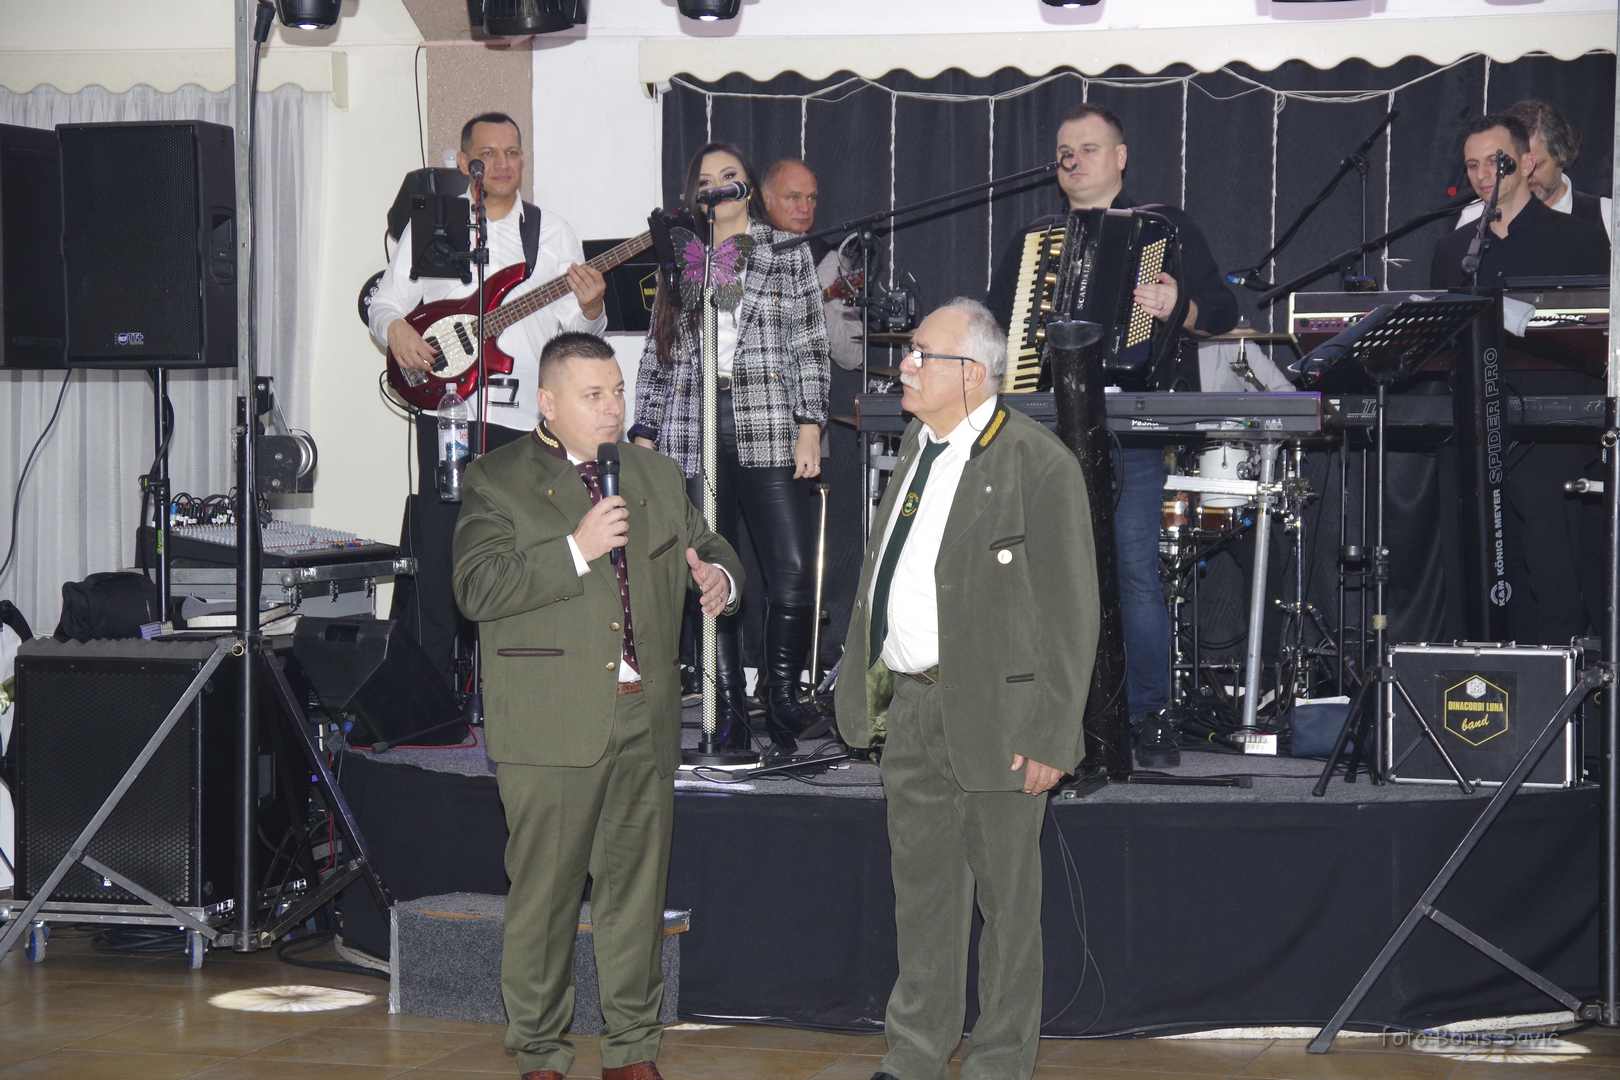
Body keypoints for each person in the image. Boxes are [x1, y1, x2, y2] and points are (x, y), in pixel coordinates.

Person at [453, 331, 744, 1080]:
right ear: (547, 403)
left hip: (645, 715)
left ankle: (632, 1050)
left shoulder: (652, 472)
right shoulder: (496, 478)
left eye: (617, 391)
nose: (613, 407)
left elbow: (711, 545)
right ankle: (540, 1053)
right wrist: (575, 549)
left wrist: (719, 577)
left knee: (636, 896)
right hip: (550, 722)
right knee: (546, 898)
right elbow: (476, 587)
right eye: (593, 395)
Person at [835, 298, 1099, 1080]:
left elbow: (1072, 614)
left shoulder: (1039, 463)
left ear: (974, 374)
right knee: (922, 897)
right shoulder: (916, 447)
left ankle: (997, 1064)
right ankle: (915, 1053)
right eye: (910, 352)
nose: (906, 365)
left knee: (1007, 907)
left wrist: (1053, 734)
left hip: (1004, 720)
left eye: (923, 354)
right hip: (913, 707)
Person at [987, 102, 1238, 768]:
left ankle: (1148, 715)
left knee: (1132, 572)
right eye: (1064, 151)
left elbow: (1222, 310)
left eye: (1088, 148)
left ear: (1120, 157)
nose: (1073, 160)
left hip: (1133, 424)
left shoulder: (1165, 227)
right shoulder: (1034, 241)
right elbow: (995, 322)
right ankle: (1051, 715)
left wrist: (1178, 306)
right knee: (1041, 571)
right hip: (1046, 423)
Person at [368, 111, 607, 689]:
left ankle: (512, 687)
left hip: (524, 419)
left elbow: (577, 337)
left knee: (518, 549)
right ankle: (433, 694)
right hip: (447, 416)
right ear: (463, 162)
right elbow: (384, 303)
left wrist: (593, 308)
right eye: (489, 154)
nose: (503, 164)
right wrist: (395, 331)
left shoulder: (551, 233)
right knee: (440, 553)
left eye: (512, 153)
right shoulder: (433, 227)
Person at [631, 142, 832, 757]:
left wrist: (810, 423)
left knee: (791, 570)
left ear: (748, 188)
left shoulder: (786, 251)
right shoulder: (682, 259)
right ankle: (725, 711)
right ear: (694, 195)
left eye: (730, 176)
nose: (717, 186)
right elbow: (659, 352)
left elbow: (810, 342)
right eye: (706, 179)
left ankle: (782, 697)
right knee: (709, 571)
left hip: (768, 421)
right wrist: (644, 431)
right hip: (694, 424)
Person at [1431, 114, 1611, 646]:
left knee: (1551, 560)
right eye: (1472, 165)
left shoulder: (1579, 237)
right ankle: (1489, 662)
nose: (1483, 174)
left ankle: (1559, 670)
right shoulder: (1454, 250)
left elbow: (1596, 333)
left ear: (1527, 162)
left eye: (1496, 161)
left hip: (1553, 427)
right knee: (1483, 560)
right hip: (1478, 425)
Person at [761, 158, 865, 372]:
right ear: (766, 200)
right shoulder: (739, 253)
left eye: (811, 198)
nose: (805, 208)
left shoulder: (830, 262)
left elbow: (854, 355)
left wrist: (817, 301)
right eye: (793, 197)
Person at [1456, 99, 1613, 241]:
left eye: (1536, 165)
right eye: (1513, 166)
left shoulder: (1608, 215)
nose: (1525, 175)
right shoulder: (1474, 215)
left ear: (1562, 155)